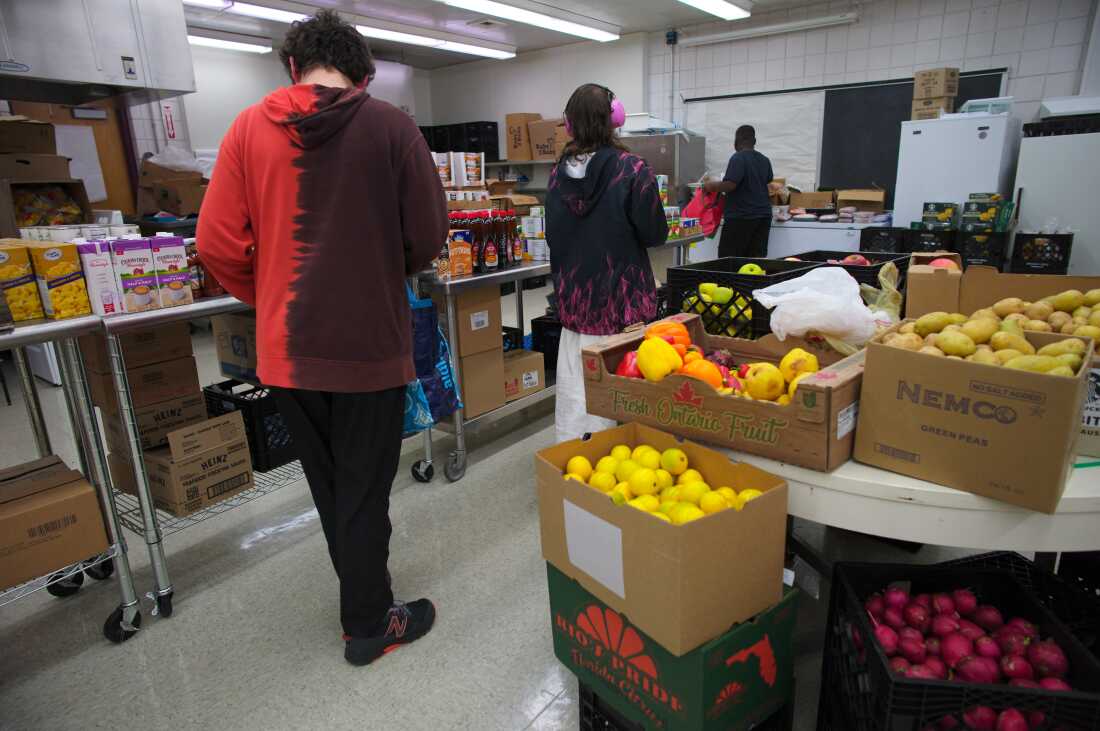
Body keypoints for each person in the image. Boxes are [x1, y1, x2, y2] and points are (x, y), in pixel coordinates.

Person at [197, 9, 446, 666]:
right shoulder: (392, 128)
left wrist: (271, 292)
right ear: (363, 74)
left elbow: (216, 242)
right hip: (369, 342)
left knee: (332, 484)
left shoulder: (247, 129)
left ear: (292, 67)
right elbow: (428, 236)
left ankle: (362, 597)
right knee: (364, 489)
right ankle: (368, 622)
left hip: (289, 347)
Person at [546, 83, 668, 443]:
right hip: (624, 308)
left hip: (577, 304)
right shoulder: (632, 169)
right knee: (626, 388)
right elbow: (655, 234)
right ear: (615, 118)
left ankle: (577, 454)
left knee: (577, 390)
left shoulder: (557, 175)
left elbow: (553, 237)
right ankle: (624, 458)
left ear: (569, 126)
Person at [705, 125, 774, 258]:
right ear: (755, 141)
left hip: (741, 217)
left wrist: (710, 186)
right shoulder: (765, 160)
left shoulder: (738, 158)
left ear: (737, 141)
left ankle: (729, 280)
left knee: (729, 260)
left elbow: (730, 185)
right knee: (755, 260)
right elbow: (768, 179)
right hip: (763, 217)